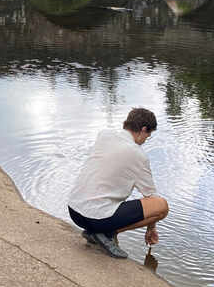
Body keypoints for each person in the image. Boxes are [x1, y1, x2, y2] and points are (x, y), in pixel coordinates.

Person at [67, 107, 169, 258]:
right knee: (161, 206)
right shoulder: (138, 155)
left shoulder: (104, 134)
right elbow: (151, 196)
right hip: (96, 219)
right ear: (143, 129)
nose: (146, 140)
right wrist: (151, 227)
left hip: (74, 211)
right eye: (148, 135)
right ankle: (106, 234)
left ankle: (98, 232)